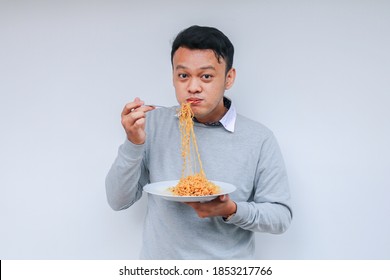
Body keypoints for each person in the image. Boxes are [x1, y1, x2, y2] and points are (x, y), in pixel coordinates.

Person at [105, 25, 292, 259]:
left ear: (229, 77)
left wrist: (232, 211)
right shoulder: (152, 124)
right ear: (173, 77)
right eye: (183, 75)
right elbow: (117, 201)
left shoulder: (259, 138)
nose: (193, 87)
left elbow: (280, 218)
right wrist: (133, 144)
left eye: (206, 76)